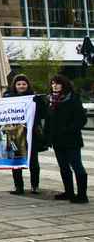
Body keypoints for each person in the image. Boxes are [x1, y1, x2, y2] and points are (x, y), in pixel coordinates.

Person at [45, 75, 88, 203]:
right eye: (53, 83)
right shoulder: (51, 100)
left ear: (64, 85)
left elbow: (81, 119)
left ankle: (82, 195)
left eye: (58, 83)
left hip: (71, 140)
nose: (54, 86)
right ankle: (68, 192)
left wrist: (68, 130)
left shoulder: (73, 99)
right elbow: (48, 120)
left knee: (77, 166)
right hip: (57, 140)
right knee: (63, 167)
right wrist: (48, 136)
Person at [5, 74, 47, 195]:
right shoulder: (8, 98)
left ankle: (35, 186)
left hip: (31, 133)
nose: (21, 86)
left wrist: (38, 102)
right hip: (14, 135)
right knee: (16, 160)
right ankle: (18, 187)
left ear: (27, 85)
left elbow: (43, 114)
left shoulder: (35, 98)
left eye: (24, 84)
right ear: (15, 86)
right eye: (19, 84)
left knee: (33, 161)